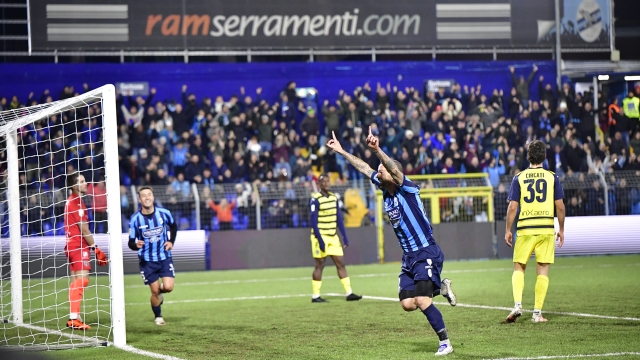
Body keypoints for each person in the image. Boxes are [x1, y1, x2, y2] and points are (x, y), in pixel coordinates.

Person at [326, 128, 457, 356]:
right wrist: (341, 151)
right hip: (409, 257)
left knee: (422, 300)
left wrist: (377, 150)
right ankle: (441, 286)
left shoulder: (407, 188)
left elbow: (394, 170)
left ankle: (445, 342)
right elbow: (363, 167)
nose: (379, 171)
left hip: (425, 251)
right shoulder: (382, 186)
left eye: (383, 169)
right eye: (379, 170)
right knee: (408, 304)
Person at [505, 140, 565, 323]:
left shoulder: (519, 178)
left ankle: (517, 304)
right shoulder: (552, 177)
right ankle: (537, 313)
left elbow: (513, 207)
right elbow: (560, 207)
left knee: (519, 267)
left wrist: (508, 229)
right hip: (545, 228)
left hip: (525, 228)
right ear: (545, 157)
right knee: (543, 270)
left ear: (528, 157)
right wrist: (561, 229)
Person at [128, 186, 178, 326]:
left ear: (153, 197)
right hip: (147, 261)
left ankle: (159, 295)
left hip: (164, 257)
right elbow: (131, 242)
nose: (147, 197)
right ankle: (158, 316)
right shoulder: (135, 220)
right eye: (144, 195)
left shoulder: (164, 213)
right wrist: (135, 245)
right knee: (155, 291)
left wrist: (171, 241)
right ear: (139, 199)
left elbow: (174, 227)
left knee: (168, 287)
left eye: (149, 194)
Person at [64, 172, 108, 330]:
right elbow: (84, 229)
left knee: (75, 282)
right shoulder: (76, 202)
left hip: (70, 245)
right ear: (74, 186)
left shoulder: (71, 201)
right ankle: (74, 319)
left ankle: (74, 316)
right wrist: (96, 248)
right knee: (83, 280)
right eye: (82, 181)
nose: (86, 183)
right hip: (78, 245)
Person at [309, 174, 362, 303]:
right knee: (320, 265)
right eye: (324, 182)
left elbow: (339, 219)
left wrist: (345, 237)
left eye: (328, 181)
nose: (327, 184)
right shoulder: (315, 199)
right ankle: (315, 296)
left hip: (333, 237)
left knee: (340, 263)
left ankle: (349, 293)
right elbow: (313, 222)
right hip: (319, 236)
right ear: (319, 184)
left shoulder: (333, 198)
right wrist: (320, 241)